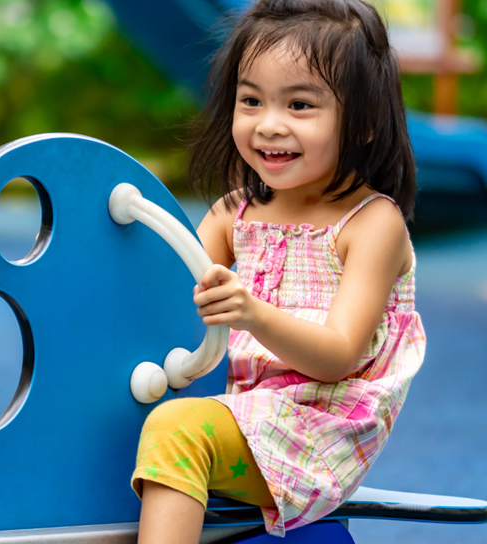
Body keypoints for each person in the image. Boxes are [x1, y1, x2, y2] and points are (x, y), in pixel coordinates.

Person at [131, 0, 425, 541]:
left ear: (361, 122)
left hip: (320, 432)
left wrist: (253, 315)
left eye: (299, 105)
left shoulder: (371, 224)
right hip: (242, 412)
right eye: (251, 100)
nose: (269, 124)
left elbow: (338, 356)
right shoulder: (232, 214)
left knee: (177, 429)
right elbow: (168, 311)